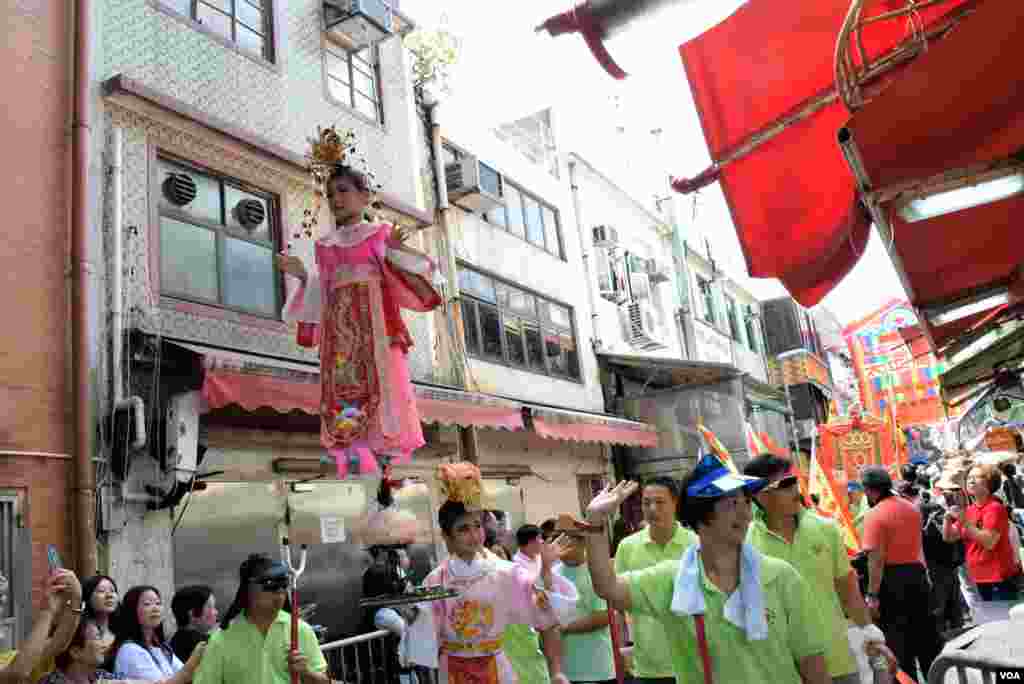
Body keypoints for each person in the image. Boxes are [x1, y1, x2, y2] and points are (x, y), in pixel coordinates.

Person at [276, 127, 443, 478]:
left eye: (343, 190)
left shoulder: (379, 234)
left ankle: (383, 456)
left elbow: (410, 273)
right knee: (344, 388)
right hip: (341, 333)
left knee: (383, 387)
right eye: (330, 192)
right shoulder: (325, 246)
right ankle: (357, 454)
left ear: (364, 196)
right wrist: (302, 275)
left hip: (376, 326)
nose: (336, 199)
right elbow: (322, 291)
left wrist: (396, 251)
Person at [581, 456, 829, 684]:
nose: (745, 514)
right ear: (702, 512)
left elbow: (812, 662)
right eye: (732, 504)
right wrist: (594, 524)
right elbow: (608, 587)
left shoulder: (780, 577)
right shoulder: (672, 580)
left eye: (746, 503)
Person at [403, 463, 577, 684]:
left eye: (477, 526)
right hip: (452, 668)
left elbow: (544, 613)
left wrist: (545, 571)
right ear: (446, 536)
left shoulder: (505, 572)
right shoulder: (436, 579)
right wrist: (412, 616)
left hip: (495, 667)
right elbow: (426, 632)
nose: (474, 535)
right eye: (463, 529)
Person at [743, 455, 870, 684]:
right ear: (759, 495)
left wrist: (869, 632)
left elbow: (849, 591)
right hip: (784, 669)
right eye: (783, 485)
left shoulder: (826, 529)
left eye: (793, 481)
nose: (794, 489)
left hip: (837, 658)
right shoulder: (746, 544)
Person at [860, 466, 942, 681]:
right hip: (918, 577)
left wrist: (872, 596)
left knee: (899, 646)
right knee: (927, 641)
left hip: (892, 582)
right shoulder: (911, 508)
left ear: (869, 491)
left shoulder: (874, 515)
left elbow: (876, 560)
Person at [612, 476, 696, 684]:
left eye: (659, 502)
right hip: (647, 666)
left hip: (693, 663)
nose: (651, 509)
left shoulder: (696, 544)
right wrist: (621, 646)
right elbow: (616, 600)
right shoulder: (627, 546)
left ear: (676, 503)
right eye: (646, 502)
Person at [194, 554, 327, 684]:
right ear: (249, 587)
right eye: (270, 583)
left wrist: (306, 672)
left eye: (283, 583)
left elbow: (324, 681)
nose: (280, 592)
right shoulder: (221, 640)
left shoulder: (300, 630)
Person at [942, 464, 1022, 624]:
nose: (970, 480)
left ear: (988, 484)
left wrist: (964, 521)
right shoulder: (969, 510)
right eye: (969, 477)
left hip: (999, 577)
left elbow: (989, 542)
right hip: (979, 577)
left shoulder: (995, 508)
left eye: (976, 477)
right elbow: (949, 537)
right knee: (993, 625)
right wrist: (947, 519)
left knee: (1004, 625)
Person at [0, 570, 82, 684]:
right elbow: (16, 674)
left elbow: (58, 643)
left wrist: (76, 599)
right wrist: (47, 611)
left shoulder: (7, 656)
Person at [554, 534, 615, 684]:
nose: (561, 545)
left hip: (595, 669)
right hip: (562, 670)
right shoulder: (552, 573)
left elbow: (603, 617)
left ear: (582, 543)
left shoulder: (596, 572)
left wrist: (563, 627)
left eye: (568, 541)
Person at [111, 586, 204, 683]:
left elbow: (188, 676)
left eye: (158, 603)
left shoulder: (162, 648)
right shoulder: (130, 650)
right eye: (147, 604)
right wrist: (195, 658)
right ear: (132, 610)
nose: (155, 608)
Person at [507, 525, 555, 684]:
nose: (542, 542)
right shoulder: (517, 564)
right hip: (531, 621)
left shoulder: (540, 557)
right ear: (531, 542)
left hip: (548, 614)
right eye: (539, 539)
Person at [37, 618, 129, 684]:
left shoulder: (99, 675)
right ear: (75, 652)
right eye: (97, 638)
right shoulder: (53, 681)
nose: (104, 645)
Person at [170, 586, 219, 663]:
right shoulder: (204, 644)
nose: (216, 612)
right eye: (210, 607)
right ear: (193, 614)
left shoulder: (175, 641)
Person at [81, 576, 119, 654]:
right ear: (88, 597)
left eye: (112, 591)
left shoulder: (121, 632)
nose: (109, 595)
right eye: (101, 591)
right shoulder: (82, 630)